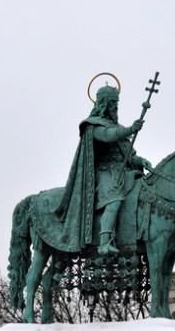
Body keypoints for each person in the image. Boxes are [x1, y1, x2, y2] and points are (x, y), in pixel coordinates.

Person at [57, 84, 150, 255]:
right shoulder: (93, 125)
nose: (116, 106)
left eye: (117, 102)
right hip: (104, 172)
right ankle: (105, 242)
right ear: (103, 103)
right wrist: (130, 129)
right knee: (114, 199)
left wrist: (141, 160)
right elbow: (107, 136)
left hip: (124, 172)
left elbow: (128, 156)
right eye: (113, 102)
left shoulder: (118, 127)